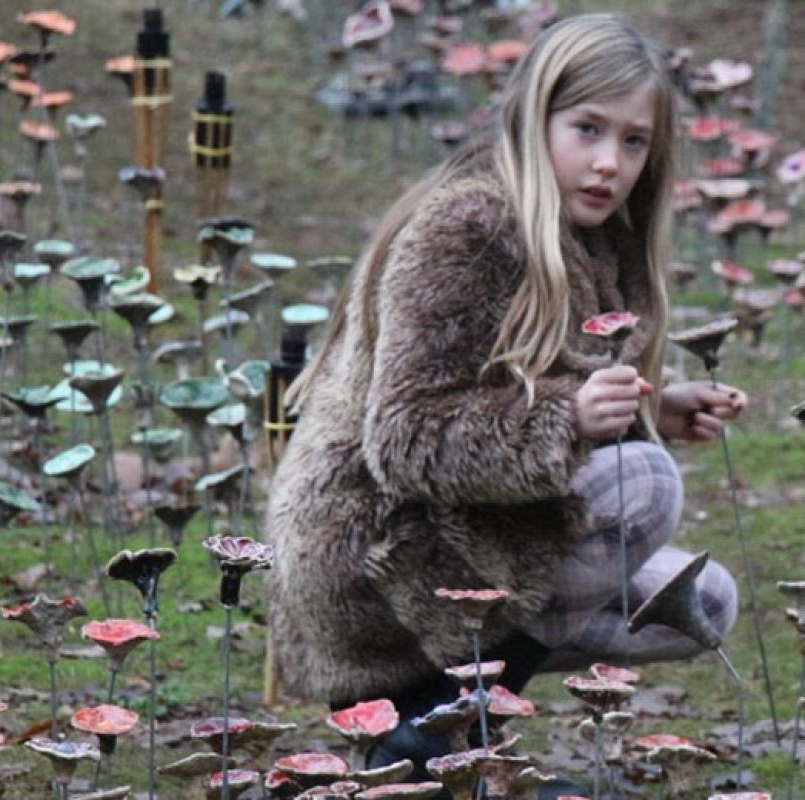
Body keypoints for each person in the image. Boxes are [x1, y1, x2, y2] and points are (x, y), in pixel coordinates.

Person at [265, 13, 745, 781]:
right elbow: (406, 437)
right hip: (375, 558)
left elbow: (529, 387)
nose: (608, 163)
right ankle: (437, 742)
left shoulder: (600, 242)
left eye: (632, 141)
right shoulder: (470, 226)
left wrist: (654, 410)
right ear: (533, 117)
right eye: (586, 129)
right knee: (643, 488)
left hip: (475, 536)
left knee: (705, 602)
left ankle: (443, 729)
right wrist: (568, 418)